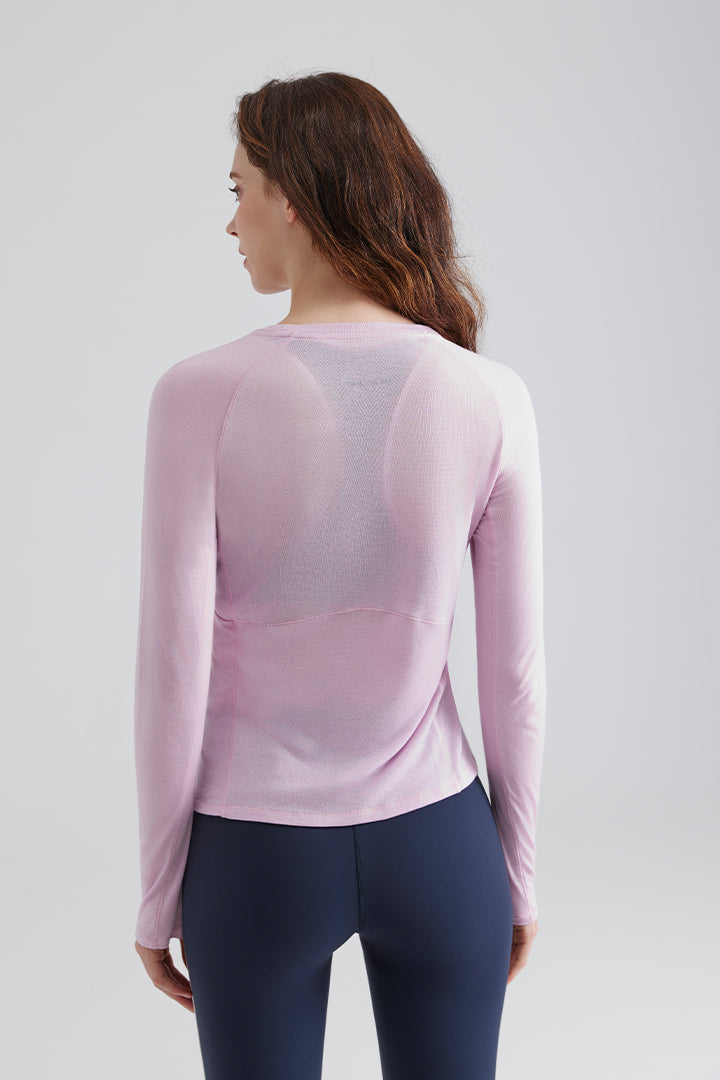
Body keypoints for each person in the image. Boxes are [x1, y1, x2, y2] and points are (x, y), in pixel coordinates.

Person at [133, 70, 546, 1080]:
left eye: (239, 190)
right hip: (441, 847)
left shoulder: (199, 395)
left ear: (291, 195)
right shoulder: (491, 395)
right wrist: (518, 876)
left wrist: (157, 893)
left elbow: (173, 671)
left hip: (254, 855)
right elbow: (516, 675)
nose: (231, 222)